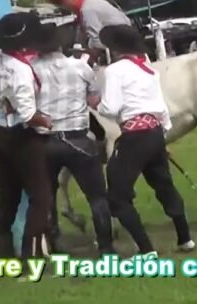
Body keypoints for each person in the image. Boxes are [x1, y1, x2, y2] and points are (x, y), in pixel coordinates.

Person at [91, 24, 194, 259]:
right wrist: (162, 137)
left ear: (115, 49)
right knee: (164, 185)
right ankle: (184, 236)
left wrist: (95, 103)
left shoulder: (115, 71)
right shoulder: (149, 70)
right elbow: (162, 108)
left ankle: (146, 249)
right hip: (155, 131)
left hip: (134, 135)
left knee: (117, 197)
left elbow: (110, 108)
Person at [0, 12, 54, 261]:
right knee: (41, 197)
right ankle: (30, 253)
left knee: (8, 192)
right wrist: (50, 122)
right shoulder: (20, 69)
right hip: (23, 136)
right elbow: (28, 114)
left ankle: (4, 247)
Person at [30, 27, 115, 256]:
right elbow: (94, 99)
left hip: (44, 140)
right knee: (97, 196)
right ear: (60, 45)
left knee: (46, 196)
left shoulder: (31, 70)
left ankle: (53, 243)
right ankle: (106, 248)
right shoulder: (80, 67)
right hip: (78, 138)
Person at [48, 0, 132, 63]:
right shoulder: (93, 2)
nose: (63, 6)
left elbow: (98, 42)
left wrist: (90, 55)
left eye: (63, 2)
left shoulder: (87, 10)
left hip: (121, 54)